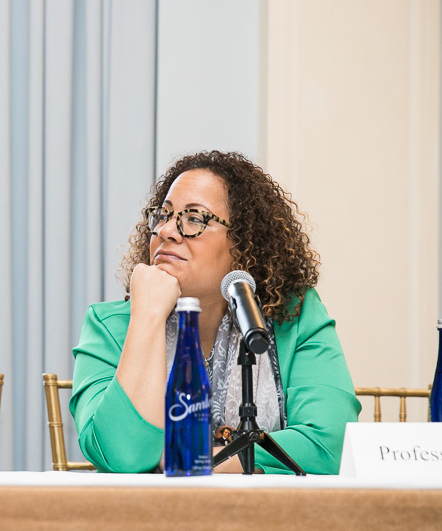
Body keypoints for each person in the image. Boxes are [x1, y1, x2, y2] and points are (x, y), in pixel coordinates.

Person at [70, 151, 360, 474]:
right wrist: (147, 316)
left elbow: (329, 444)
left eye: (194, 219)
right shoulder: (109, 327)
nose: (167, 230)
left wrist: (198, 461)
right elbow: (122, 454)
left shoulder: (295, 316)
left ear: (244, 241)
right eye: (163, 216)